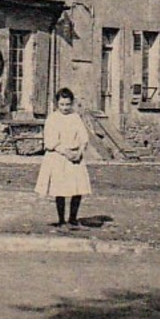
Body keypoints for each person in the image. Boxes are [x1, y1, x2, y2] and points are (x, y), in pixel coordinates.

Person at [35, 88, 92, 229]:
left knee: (77, 188)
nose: (65, 108)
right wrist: (66, 153)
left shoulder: (75, 117)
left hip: (75, 157)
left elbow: (83, 137)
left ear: (72, 103)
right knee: (60, 189)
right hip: (59, 156)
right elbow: (50, 141)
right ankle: (61, 220)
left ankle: (73, 218)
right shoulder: (53, 118)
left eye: (67, 104)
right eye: (62, 105)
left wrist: (79, 152)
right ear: (57, 104)